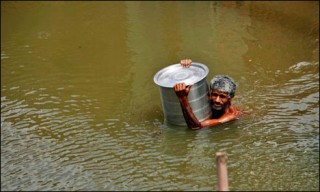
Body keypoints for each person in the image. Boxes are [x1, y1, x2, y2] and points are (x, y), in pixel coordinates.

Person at [174, 59, 241, 130]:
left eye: (222, 96)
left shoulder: (231, 115)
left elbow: (196, 127)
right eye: (215, 95)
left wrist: (183, 99)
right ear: (210, 92)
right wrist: (187, 68)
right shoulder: (209, 99)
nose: (217, 100)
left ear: (231, 97)